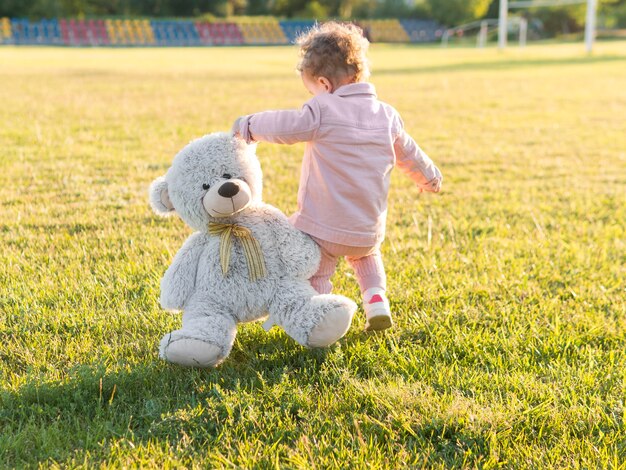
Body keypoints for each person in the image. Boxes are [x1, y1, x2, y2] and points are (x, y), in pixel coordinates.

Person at [232, 21, 442, 332]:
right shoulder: (387, 115)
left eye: (311, 90)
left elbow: (285, 125)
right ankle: (376, 302)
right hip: (367, 229)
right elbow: (411, 154)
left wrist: (248, 126)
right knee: (367, 258)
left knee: (316, 266)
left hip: (323, 228)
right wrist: (430, 180)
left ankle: (318, 312)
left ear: (323, 84)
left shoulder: (323, 110)